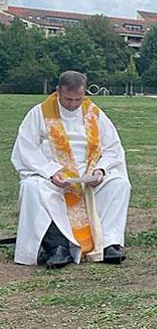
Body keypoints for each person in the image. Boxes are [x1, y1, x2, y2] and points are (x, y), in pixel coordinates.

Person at [11, 71, 131, 268]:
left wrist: (100, 170)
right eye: (68, 99)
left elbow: (112, 148)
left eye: (79, 99)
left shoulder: (94, 114)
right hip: (53, 174)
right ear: (58, 92)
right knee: (32, 188)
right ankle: (57, 247)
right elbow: (27, 149)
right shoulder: (39, 114)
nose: (74, 104)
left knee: (118, 184)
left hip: (88, 173)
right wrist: (50, 172)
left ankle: (107, 243)